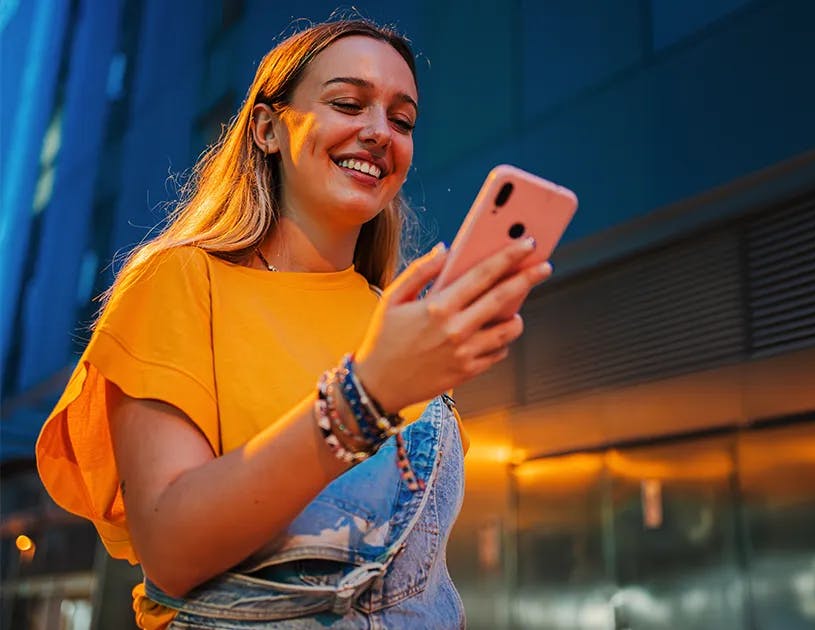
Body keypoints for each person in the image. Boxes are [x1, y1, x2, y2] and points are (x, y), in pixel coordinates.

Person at [35, 18, 550, 629]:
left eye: (402, 119)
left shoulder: (397, 317)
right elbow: (171, 552)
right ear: (267, 128)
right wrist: (364, 400)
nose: (379, 132)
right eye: (348, 103)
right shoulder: (180, 282)